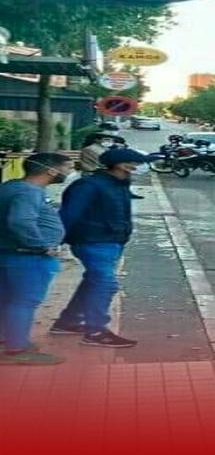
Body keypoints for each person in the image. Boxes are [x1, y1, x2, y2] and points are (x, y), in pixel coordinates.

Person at [50, 149, 155, 348]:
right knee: (105, 284)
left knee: (93, 282)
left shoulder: (119, 183)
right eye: (138, 163)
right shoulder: (88, 185)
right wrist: (55, 241)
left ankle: (68, 322)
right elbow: (68, 214)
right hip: (92, 241)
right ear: (122, 165)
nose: (141, 167)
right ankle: (96, 331)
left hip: (112, 240)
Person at [0, 153, 74, 365]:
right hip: (28, 257)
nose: (69, 172)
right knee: (23, 302)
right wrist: (40, 245)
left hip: (8, 252)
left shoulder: (10, 187)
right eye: (67, 167)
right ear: (51, 170)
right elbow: (21, 221)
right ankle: (16, 350)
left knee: (7, 300)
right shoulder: (29, 192)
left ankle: (8, 340)